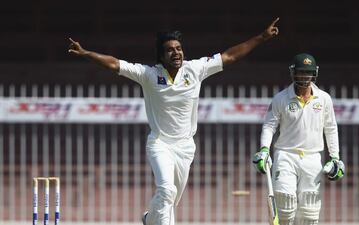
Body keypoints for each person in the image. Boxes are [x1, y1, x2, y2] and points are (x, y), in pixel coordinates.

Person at [68, 18, 279, 225]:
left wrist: (262, 37)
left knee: (169, 201)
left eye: (179, 48)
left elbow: (230, 56)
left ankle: (149, 219)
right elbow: (115, 64)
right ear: (161, 55)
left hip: (186, 147)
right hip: (160, 144)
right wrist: (86, 53)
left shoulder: (195, 69)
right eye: (170, 50)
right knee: (166, 191)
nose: (176, 52)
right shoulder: (148, 74)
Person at [252, 53, 345, 225]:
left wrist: (335, 157)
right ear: (293, 73)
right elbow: (269, 126)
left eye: (307, 73)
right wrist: (264, 149)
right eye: (301, 72)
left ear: (314, 74)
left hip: (312, 157)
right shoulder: (281, 98)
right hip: (285, 155)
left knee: (309, 214)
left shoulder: (324, 99)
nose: (304, 76)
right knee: (285, 205)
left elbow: (331, 128)